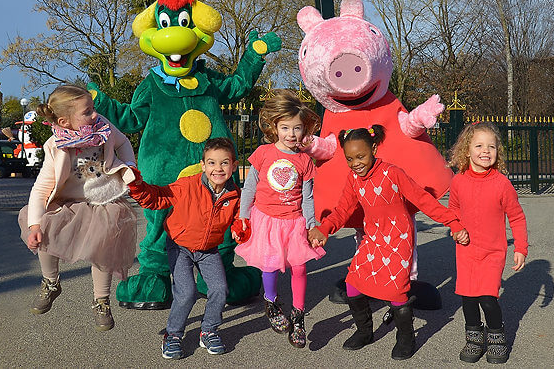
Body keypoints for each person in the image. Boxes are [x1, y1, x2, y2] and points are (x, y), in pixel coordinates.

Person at [308, 125, 470, 360]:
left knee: (397, 291)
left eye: (361, 156)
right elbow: (342, 210)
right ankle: (365, 331)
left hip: (398, 239)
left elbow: (423, 200)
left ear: (373, 148)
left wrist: (453, 223)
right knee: (353, 281)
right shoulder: (354, 179)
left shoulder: (393, 173)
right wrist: (324, 229)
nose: (356, 163)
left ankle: (406, 338)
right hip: (372, 238)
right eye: (350, 158)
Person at [18, 84, 139, 332]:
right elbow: (41, 189)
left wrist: (129, 166)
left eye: (93, 109)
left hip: (103, 200)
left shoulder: (103, 127)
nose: (94, 114)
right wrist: (34, 226)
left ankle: (101, 300)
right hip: (69, 202)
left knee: (103, 244)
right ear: (65, 121)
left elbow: (123, 141)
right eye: (87, 112)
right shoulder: (55, 145)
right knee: (44, 227)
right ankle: (51, 282)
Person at [126, 137, 247, 360]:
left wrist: (241, 227)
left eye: (224, 163)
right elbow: (158, 197)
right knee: (187, 292)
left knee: (220, 289)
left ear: (234, 165)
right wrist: (136, 186)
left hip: (208, 249)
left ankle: (209, 330)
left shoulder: (234, 194)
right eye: (211, 163)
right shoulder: (187, 185)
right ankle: (172, 335)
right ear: (203, 165)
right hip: (180, 246)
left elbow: (241, 218)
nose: (218, 169)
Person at [235, 90, 325, 348]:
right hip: (267, 219)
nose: (291, 134)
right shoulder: (263, 153)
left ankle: (298, 316)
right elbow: (250, 188)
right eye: (285, 127)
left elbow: (307, 198)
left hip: (295, 221)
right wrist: (243, 216)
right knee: (271, 264)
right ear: (275, 127)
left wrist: (311, 224)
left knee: (300, 267)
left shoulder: (305, 161)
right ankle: (272, 302)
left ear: (304, 129)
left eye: (297, 128)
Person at [448, 122, 528, 364]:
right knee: (468, 299)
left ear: (498, 152)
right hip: (466, 251)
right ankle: (474, 339)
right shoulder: (459, 181)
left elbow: (516, 216)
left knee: (487, 298)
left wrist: (521, 248)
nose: (486, 151)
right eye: (479, 145)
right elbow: (452, 211)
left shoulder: (501, 183)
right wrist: (455, 228)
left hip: (492, 252)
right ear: (467, 150)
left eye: (491, 146)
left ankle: (496, 338)